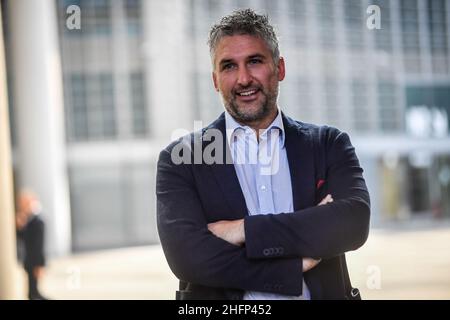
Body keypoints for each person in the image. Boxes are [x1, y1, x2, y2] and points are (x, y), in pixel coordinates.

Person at [156, 9, 370, 300]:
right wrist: (292, 266)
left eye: (254, 61)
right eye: (229, 66)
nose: (244, 79)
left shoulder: (328, 144)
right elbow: (188, 257)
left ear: (279, 68)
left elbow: (353, 224)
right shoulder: (182, 158)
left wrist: (243, 230)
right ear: (215, 80)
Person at [16, 190, 47, 300]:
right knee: (33, 293)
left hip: (34, 261)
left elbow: (39, 246)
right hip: (30, 261)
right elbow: (24, 238)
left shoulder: (37, 221)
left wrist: (40, 264)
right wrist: (19, 227)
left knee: (34, 294)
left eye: (24, 203)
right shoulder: (29, 220)